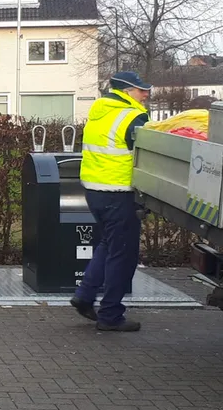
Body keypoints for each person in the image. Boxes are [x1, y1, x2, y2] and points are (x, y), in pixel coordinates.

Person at [70, 72, 150, 331]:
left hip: (94, 191)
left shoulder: (99, 112)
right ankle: (110, 315)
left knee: (108, 244)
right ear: (127, 92)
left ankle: (84, 295)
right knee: (123, 255)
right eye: (141, 90)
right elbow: (146, 158)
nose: (146, 94)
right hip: (119, 193)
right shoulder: (133, 116)